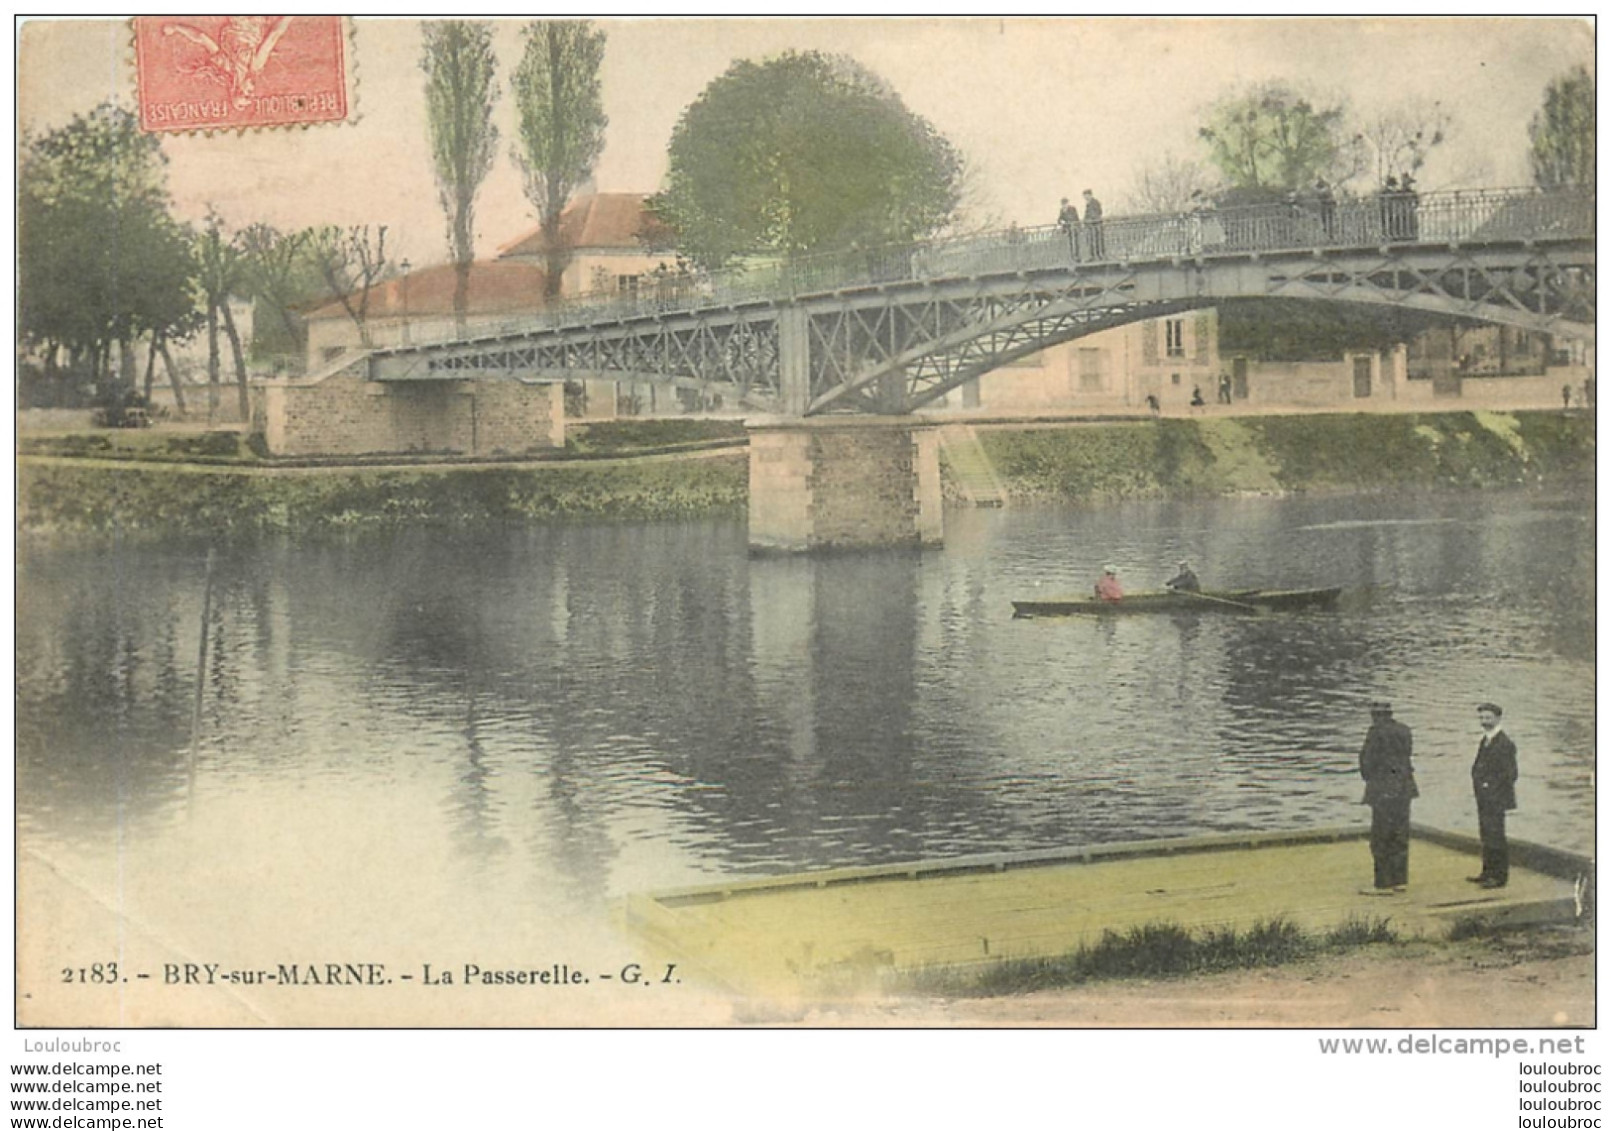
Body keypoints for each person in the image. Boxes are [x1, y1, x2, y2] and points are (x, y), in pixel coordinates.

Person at [1358, 701, 1417, 894]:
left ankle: (1383, 883)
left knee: (1380, 836)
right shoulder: (1405, 730)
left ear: (1374, 715)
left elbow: (1366, 762)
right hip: (1404, 787)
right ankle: (1400, 880)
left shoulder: (1375, 732)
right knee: (1400, 833)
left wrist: (1371, 780)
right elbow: (1407, 755)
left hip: (1383, 789)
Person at [1468, 702, 1518, 889]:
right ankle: (1487, 872)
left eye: (1488, 718)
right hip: (1484, 798)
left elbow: (1510, 774)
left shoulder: (1504, 743)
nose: (1484, 721)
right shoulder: (1486, 740)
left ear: (1497, 718)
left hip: (1496, 799)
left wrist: (1489, 787)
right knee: (1486, 834)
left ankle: (1499, 877)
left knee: (1496, 835)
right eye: (1481, 718)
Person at [1082, 189, 1104, 260]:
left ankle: (1099, 255)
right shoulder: (1088, 204)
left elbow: (1098, 213)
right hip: (1091, 226)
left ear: (1090, 195)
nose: (1085, 198)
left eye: (1086, 196)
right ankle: (1093, 255)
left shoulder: (1095, 202)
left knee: (1097, 240)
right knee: (1092, 241)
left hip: (1096, 225)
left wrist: (1090, 220)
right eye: (1084, 196)